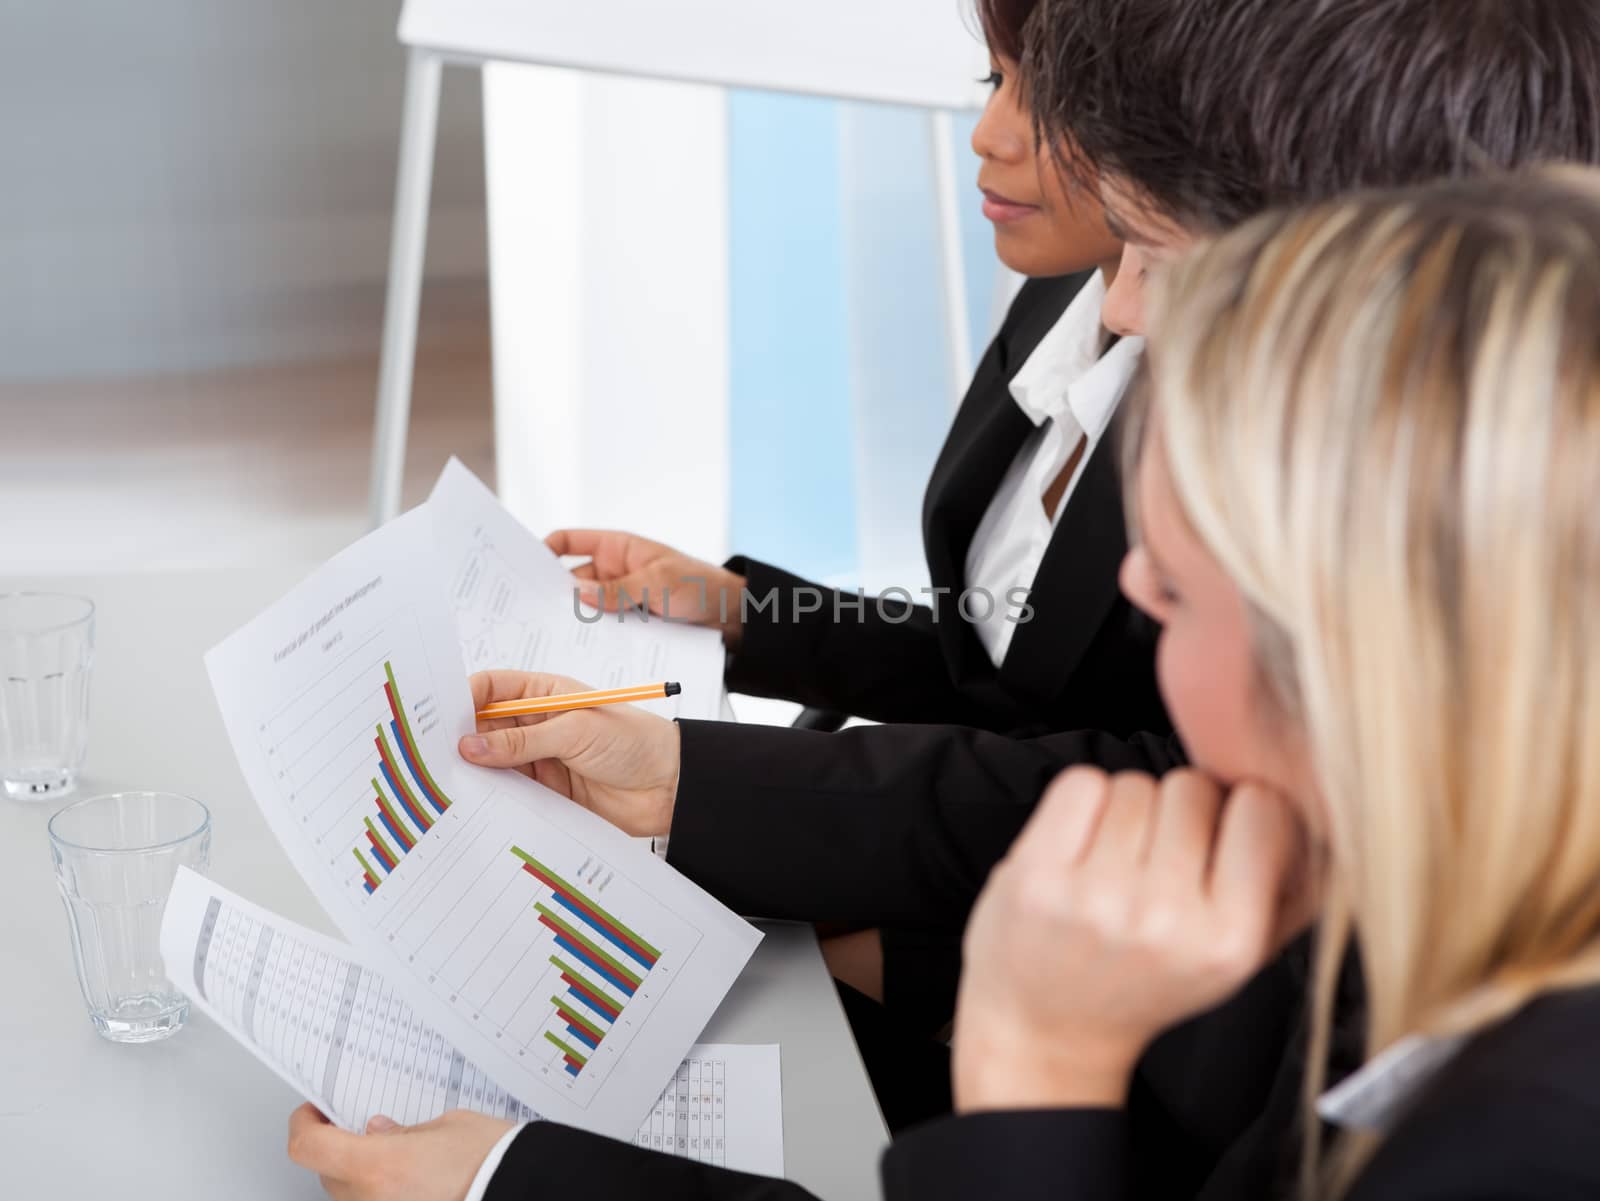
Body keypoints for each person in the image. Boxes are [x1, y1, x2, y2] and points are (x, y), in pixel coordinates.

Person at [287, 165, 1600, 1201]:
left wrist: (1036, 1071)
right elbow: (988, 645)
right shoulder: (1417, 920)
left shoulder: (1510, 1139)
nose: (1140, 598)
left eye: (1185, 591)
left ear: (1377, 661)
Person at [453, 0, 1600, 1062]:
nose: (988, 133)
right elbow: (1008, 653)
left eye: (1043, 98)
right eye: (992, 75)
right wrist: (758, 616)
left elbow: (1153, 768)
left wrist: (715, 804)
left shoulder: (1309, 488)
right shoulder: (1076, 294)